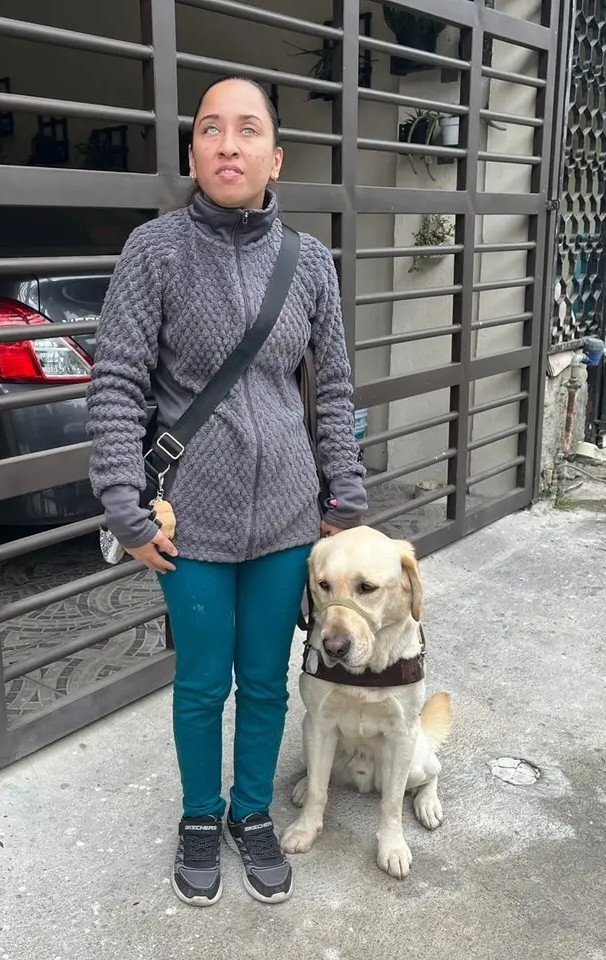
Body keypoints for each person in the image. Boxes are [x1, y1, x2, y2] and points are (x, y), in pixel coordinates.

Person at [86, 76, 367, 907]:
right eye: (213, 129)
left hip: (287, 517)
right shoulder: (156, 251)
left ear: (275, 156)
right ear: (194, 152)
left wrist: (344, 494)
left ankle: (252, 813)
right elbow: (117, 385)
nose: (229, 145)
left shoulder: (310, 263)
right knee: (204, 682)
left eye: (248, 131)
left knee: (270, 681)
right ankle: (201, 816)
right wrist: (121, 504)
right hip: (191, 522)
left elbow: (335, 390)